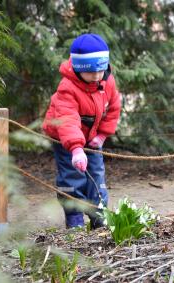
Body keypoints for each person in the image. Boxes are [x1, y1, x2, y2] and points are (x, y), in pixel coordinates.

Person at [42, 34, 121, 228]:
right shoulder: (67, 88)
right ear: (78, 69)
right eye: (90, 72)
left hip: (92, 137)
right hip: (65, 139)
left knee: (96, 174)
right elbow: (67, 119)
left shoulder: (107, 82)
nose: (96, 76)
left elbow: (113, 108)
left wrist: (102, 135)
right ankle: (74, 216)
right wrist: (76, 149)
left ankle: (99, 215)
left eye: (100, 70)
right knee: (72, 176)